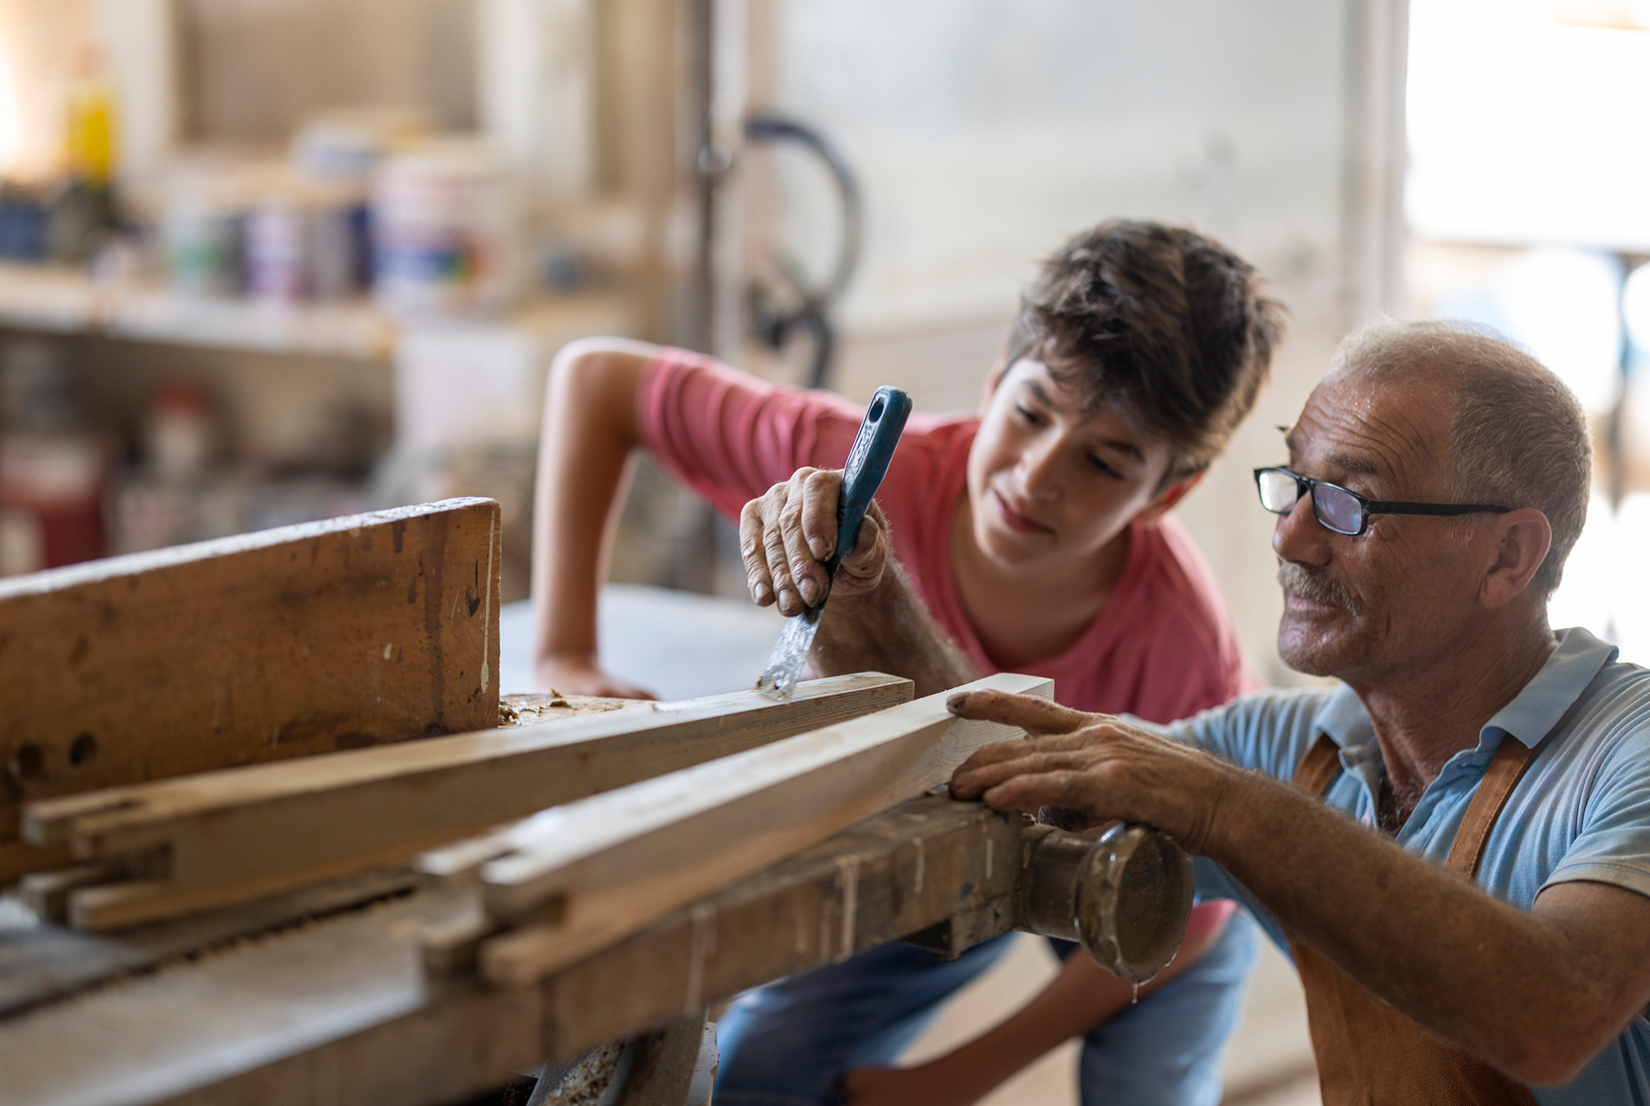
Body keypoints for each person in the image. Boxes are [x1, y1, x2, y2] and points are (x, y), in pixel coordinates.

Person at [532, 219, 1286, 1106]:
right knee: (760, 1073)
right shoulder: (857, 476)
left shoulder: (1181, 650)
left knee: (1149, 1074)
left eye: (1106, 462)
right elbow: (598, 379)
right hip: (936, 816)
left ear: (1171, 491)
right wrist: (566, 648)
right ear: (996, 377)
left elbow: (1185, 919)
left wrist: (951, 1081)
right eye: (1031, 413)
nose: (1037, 477)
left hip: (1136, 878)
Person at [899, 319, 1650, 1104]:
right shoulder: (1300, 744)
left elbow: (1557, 1013)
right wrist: (864, 587)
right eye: (1294, 485)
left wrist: (1228, 807)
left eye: (1348, 503)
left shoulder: (1629, 749)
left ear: (1506, 557)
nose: (1291, 540)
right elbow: (1013, 762)